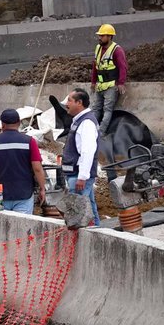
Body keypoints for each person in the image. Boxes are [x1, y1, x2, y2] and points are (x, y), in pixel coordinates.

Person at [0, 109, 47, 214]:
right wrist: (42, 189)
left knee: (2, 225)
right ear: (19, 123)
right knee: (22, 227)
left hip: (0, 194)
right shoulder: (29, 141)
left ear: (2, 124)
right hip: (23, 194)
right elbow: (37, 168)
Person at [62, 87, 100, 226]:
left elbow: (87, 151)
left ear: (79, 103)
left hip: (79, 175)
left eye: (69, 101)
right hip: (76, 174)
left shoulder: (86, 123)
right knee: (89, 206)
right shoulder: (80, 120)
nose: (66, 104)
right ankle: (97, 231)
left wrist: (82, 177)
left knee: (78, 210)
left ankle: (88, 237)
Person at [91, 23, 128, 135]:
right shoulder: (98, 48)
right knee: (96, 108)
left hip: (111, 85)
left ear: (110, 36)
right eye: (100, 35)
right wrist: (93, 81)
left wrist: (121, 83)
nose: (100, 38)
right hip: (100, 84)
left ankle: (101, 132)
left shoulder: (117, 50)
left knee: (107, 109)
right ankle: (91, 130)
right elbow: (95, 66)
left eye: (102, 36)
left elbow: (123, 67)